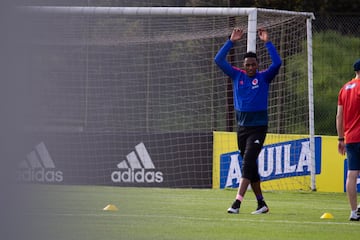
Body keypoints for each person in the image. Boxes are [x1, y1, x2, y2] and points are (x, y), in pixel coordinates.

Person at [214, 28, 282, 214]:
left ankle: (237, 202)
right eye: (247, 65)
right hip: (242, 128)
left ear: (257, 65)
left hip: (258, 128)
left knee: (247, 163)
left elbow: (277, 63)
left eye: (253, 65)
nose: (250, 67)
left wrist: (267, 42)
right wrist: (231, 41)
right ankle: (261, 204)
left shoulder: (264, 78)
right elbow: (218, 60)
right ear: (244, 66)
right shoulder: (237, 75)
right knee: (250, 166)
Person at [336, 59, 360, 221]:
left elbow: (339, 116)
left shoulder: (344, 88)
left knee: (352, 174)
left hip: (350, 137)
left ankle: (353, 212)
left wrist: (340, 138)